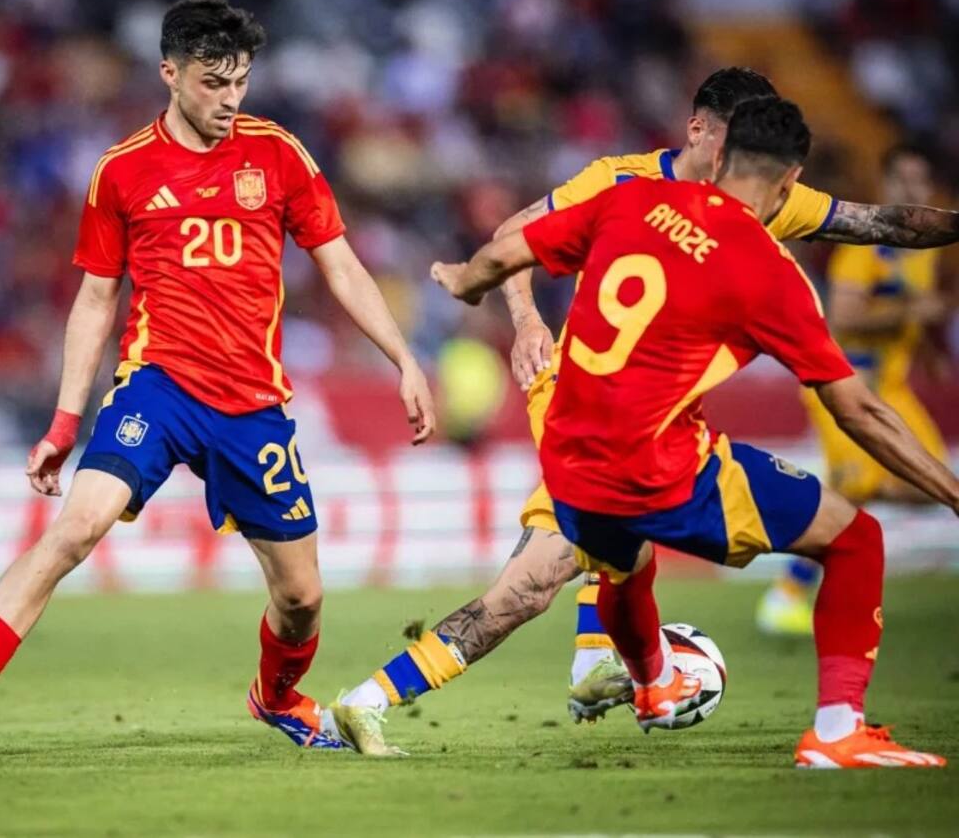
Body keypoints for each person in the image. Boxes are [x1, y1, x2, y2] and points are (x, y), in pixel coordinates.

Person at [327, 69, 959, 752]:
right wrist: (529, 319)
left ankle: (607, 671)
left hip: (598, 431)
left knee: (573, 569)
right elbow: (518, 229)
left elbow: (884, 222)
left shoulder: (638, 202)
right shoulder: (631, 186)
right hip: (606, 418)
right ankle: (698, 690)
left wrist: (466, 281)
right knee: (838, 535)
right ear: (705, 133)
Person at [0, 0, 435, 752]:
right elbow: (95, 300)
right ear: (171, 74)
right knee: (75, 530)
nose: (230, 99)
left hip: (253, 406)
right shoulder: (121, 171)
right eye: (214, 83)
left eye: (240, 81)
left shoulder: (279, 155)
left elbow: (341, 265)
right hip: (158, 389)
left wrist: (404, 359)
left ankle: (277, 697)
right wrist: (64, 421)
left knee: (302, 598)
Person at [757, 144, 953, 635]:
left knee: (929, 482)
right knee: (860, 487)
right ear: (886, 186)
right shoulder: (863, 251)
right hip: (845, 383)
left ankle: (801, 574)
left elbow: (913, 313)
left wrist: (930, 354)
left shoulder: (923, 254)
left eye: (921, 181)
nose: (913, 189)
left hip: (892, 387)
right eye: (903, 180)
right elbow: (843, 319)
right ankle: (789, 593)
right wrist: (913, 313)